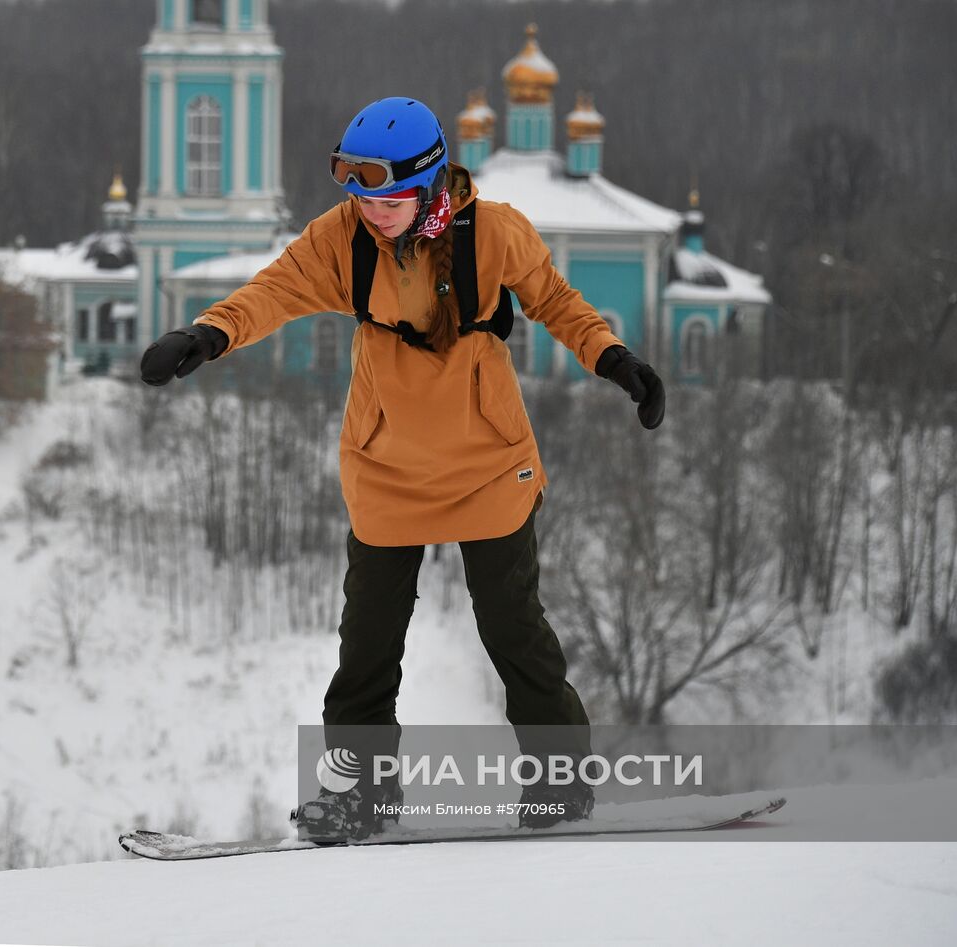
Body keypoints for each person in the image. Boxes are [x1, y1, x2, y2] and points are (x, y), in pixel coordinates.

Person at [140, 97, 664, 840]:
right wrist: (205, 334)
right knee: (368, 643)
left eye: (385, 197)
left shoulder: (492, 232)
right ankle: (362, 795)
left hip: (488, 460)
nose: (370, 210)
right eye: (357, 193)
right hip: (385, 463)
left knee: (513, 627)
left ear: (427, 184)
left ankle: (561, 783)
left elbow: (556, 300)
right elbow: (273, 291)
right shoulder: (343, 240)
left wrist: (617, 360)